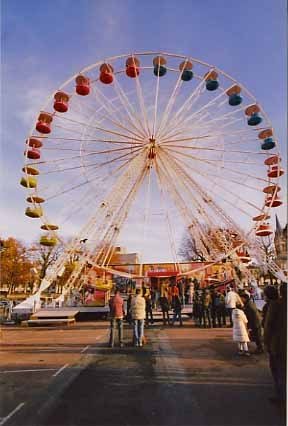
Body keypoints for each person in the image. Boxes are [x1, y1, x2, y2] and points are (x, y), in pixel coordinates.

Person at [264, 282, 286, 405]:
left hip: (278, 344)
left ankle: (281, 396)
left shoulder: (275, 305)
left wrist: (265, 342)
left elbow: (268, 326)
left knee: (279, 370)